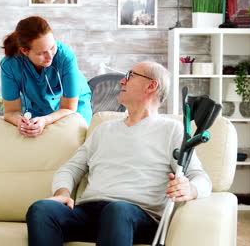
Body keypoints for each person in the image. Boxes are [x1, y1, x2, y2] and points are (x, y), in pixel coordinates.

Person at [25, 62, 212, 246]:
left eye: (130, 76)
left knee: (117, 210)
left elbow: (201, 178)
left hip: (138, 216)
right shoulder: (103, 130)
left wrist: (190, 189)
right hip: (90, 212)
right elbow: (71, 168)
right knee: (41, 209)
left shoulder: (172, 130)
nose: (122, 81)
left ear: (151, 85)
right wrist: (62, 193)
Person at [1, 16, 92, 138]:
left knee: (75, 138)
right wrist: (20, 122)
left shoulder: (65, 56)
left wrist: (45, 120)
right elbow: (11, 112)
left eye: (52, 47)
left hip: (74, 104)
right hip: (37, 104)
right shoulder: (10, 65)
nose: (50, 56)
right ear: (24, 51)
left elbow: (69, 108)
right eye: (42, 53)